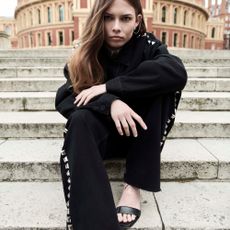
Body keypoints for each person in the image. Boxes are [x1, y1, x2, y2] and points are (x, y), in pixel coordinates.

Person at [55, 0, 187, 229]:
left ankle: (133, 185)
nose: (116, 27)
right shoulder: (84, 52)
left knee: (164, 89)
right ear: (98, 19)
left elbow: (176, 72)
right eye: (108, 18)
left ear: (137, 21)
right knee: (79, 120)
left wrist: (110, 87)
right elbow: (66, 97)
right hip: (101, 139)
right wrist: (110, 103)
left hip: (141, 137)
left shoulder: (147, 45)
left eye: (125, 18)